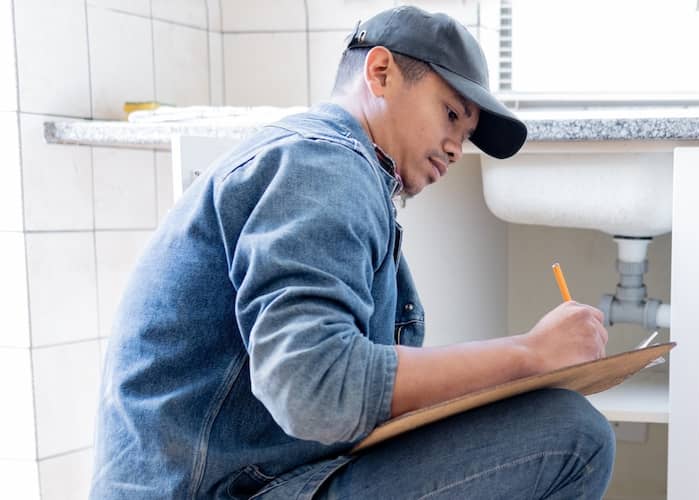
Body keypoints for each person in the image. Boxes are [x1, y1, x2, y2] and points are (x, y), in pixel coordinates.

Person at [91, 6, 615, 499]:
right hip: (216, 490)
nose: (457, 146)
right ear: (381, 72)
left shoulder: (329, 167)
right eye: (451, 114)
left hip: (250, 478)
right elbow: (315, 389)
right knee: (572, 437)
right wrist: (527, 355)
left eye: (467, 133)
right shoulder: (322, 168)